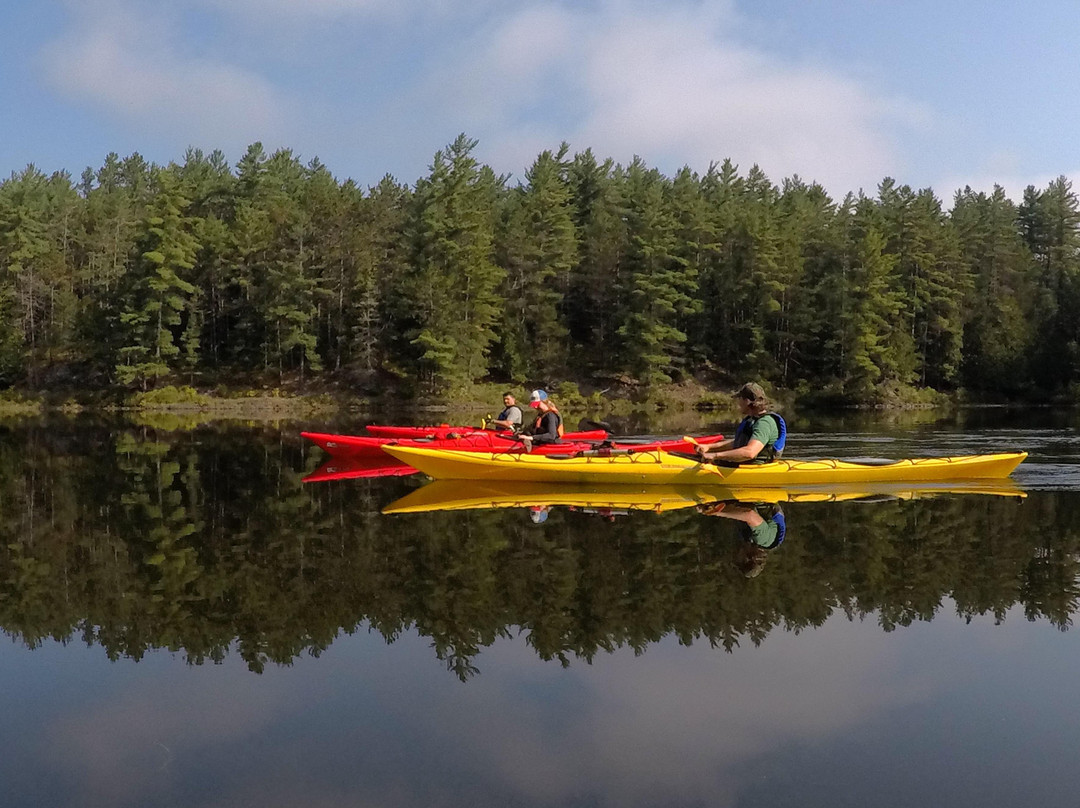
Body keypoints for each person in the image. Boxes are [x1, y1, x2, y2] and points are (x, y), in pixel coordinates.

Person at [695, 382, 786, 465]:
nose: (738, 403)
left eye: (740, 399)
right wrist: (709, 447)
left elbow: (750, 452)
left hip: (754, 468)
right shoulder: (751, 420)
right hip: (742, 465)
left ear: (747, 401)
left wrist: (715, 455)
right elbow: (737, 443)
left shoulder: (764, 423)